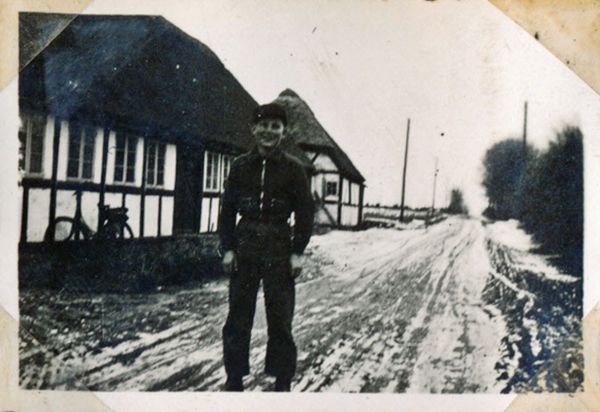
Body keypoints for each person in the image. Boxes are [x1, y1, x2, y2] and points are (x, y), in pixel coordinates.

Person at [218, 103, 314, 392]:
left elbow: (305, 213)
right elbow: (227, 211)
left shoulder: (294, 169)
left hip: (279, 248)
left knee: (281, 318)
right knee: (237, 318)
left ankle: (282, 380)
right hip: (245, 245)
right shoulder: (239, 166)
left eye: (276, 126)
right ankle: (234, 378)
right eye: (264, 125)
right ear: (254, 129)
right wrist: (228, 248)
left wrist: (297, 252)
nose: (269, 131)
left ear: (284, 132)